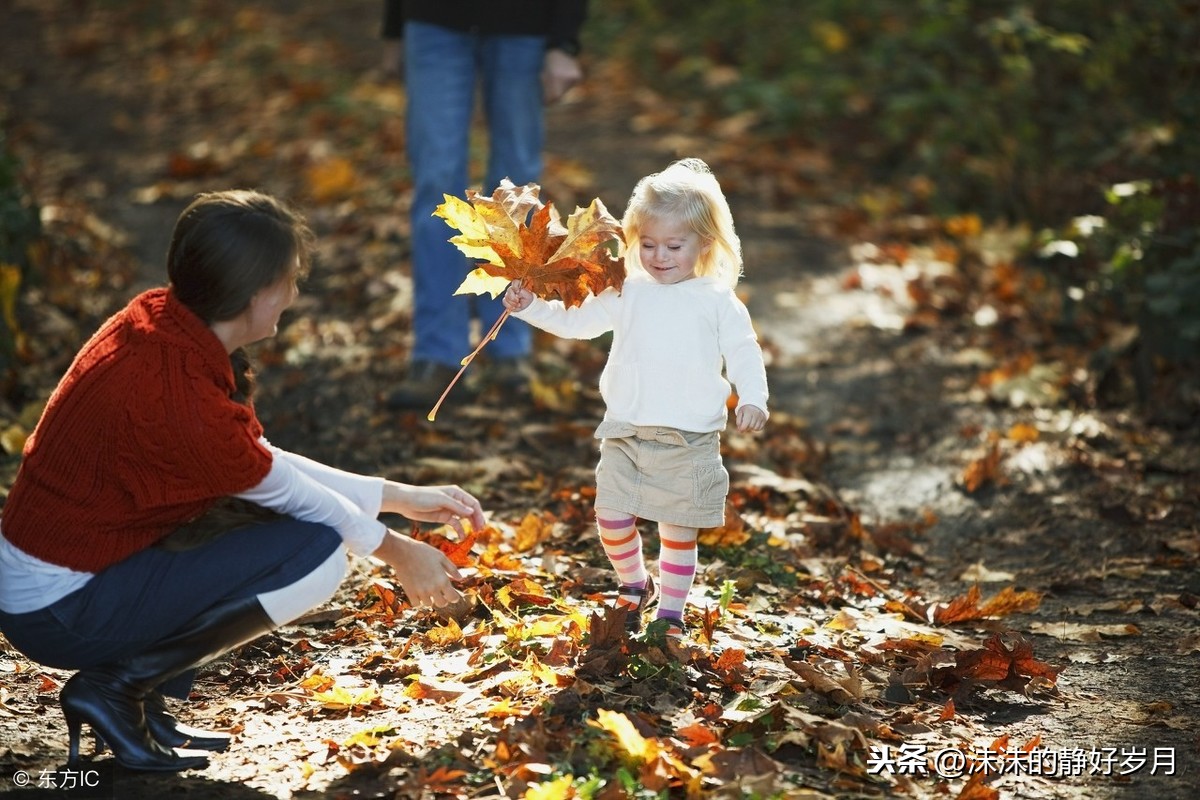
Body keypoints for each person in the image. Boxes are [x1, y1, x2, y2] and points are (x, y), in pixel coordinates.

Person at [0, 190, 485, 772]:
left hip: (72, 573)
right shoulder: (176, 394)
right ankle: (116, 688)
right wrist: (398, 552)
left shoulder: (162, 324)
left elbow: (255, 461)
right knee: (319, 550)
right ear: (255, 293)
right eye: (289, 280)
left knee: (305, 527)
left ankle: (142, 700)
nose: (295, 295)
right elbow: (274, 483)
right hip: (58, 609)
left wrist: (398, 498)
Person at [503, 158, 769, 637]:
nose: (660, 255)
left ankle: (670, 611)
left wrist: (753, 397)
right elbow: (578, 323)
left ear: (704, 244)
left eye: (674, 245)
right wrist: (531, 309)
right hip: (626, 427)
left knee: (677, 527)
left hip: (688, 436)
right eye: (648, 244)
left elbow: (744, 351)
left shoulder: (715, 300)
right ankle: (634, 583)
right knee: (611, 513)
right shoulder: (628, 290)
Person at [379, 0, 588, 409]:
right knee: (436, 185)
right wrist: (394, 28)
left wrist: (564, 40)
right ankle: (436, 353)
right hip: (432, 20)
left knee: (516, 189)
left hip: (524, 23)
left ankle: (511, 343)